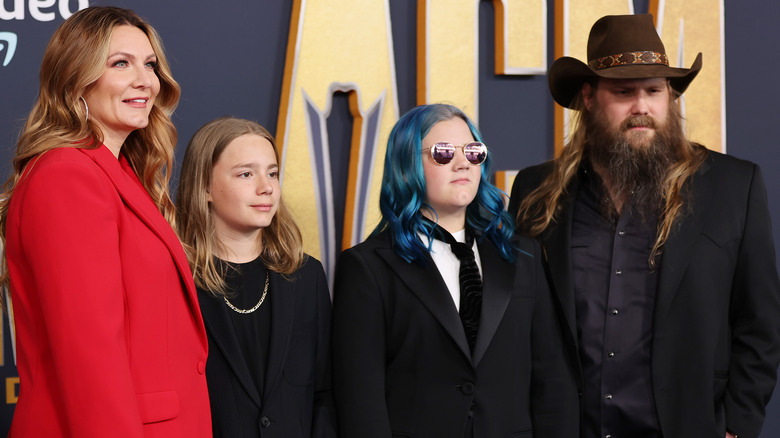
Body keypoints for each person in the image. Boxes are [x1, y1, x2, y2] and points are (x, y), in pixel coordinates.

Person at [509, 14, 780, 438]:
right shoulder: (536, 191)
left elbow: (759, 323)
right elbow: (514, 325)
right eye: (623, 91)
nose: (642, 107)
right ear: (589, 98)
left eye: (654, 91)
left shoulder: (732, 187)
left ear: (669, 97)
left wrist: (737, 426)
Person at [0, 6, 212, 437]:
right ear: (76, 78)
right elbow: (89, 356)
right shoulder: (66, 175)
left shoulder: (119, 176)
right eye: (121, 63)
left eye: (150, 64)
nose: (146, 80)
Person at [332, 103, 576, 438]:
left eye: (473, 152)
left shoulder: (523, 256)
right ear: (407, 165)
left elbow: (553, 382)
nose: (463, 163)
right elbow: (361, 401)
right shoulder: (367, 267)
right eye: (443, 153)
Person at [176, 116, 336, 438]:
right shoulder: (176, 279)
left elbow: (325, 393)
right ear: (205, 187)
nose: (266, 187)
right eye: (246, 174)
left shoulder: (306, 276)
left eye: (273, 173)